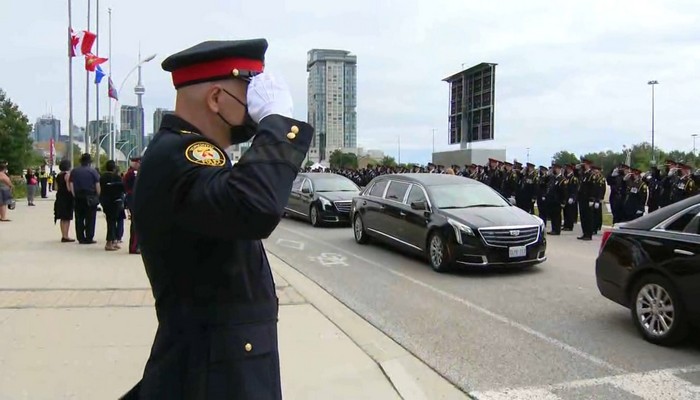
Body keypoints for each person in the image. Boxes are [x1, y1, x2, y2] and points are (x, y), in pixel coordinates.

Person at [121, 39, 313, 400]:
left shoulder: (181, 153)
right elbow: (255, 207)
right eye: (249, 92)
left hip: (218, 361)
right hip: (215, 373)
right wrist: (277, 122)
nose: (255, 105)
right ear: (215, 99)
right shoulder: (185, 154)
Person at [69, 153, 100, 244]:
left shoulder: (74, 171)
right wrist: (98, 195)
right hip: (90, 196)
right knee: (90, 218)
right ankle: (89, 237)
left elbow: (71, 184)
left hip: (78, 196)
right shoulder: (93, 171)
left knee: (79, 218)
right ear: (89, 162)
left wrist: (74, 194)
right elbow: (97, 185)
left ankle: (80, 237)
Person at [100, 160, 125, 251]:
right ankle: (109, 242)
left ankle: (113, 240)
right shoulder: (117, 177)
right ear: (114, 168)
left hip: (106, 201)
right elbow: (122, 189)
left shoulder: (102, 177)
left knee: (110, 221)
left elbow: (100, 188)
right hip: (115, 201)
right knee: (112, 221)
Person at [122, 157, 141, 254]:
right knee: (136, 223)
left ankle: (135, 245)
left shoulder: (130, 173)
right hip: (134, 198)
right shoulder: (133, 173)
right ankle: (134, 246)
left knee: (136, 223)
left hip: (132, 197)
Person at [53, 159, 75, 242]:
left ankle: (63, 235)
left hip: (60, 196)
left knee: (62, 218)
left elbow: (56, 187)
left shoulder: (59, 175)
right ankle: (66, 236)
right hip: (66, 197)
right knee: (67, 217)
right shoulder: (67, 175)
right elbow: (69, 188)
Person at [545, 163, 565, 235]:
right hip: (551, 200)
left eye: (556, 168)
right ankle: (553, 229)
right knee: (553, 215)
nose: (554, 170)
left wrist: (563, 201)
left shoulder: (562, 180)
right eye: (554, 168)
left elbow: (564, 191)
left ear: (560, 169)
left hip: (558, 201)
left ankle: (557, 230)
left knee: (557, 216)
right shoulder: (552, 178)